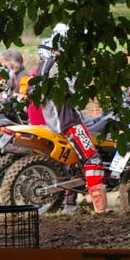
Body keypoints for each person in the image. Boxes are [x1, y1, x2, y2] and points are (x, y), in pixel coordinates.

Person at [33, 24, 108, 212]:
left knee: (74, 163)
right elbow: (77, 93)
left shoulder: (46, 64)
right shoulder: (59, 65)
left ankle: (70, 204)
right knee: (92, 159)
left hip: (56, 120)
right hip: (67, 121)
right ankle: (101, 209)